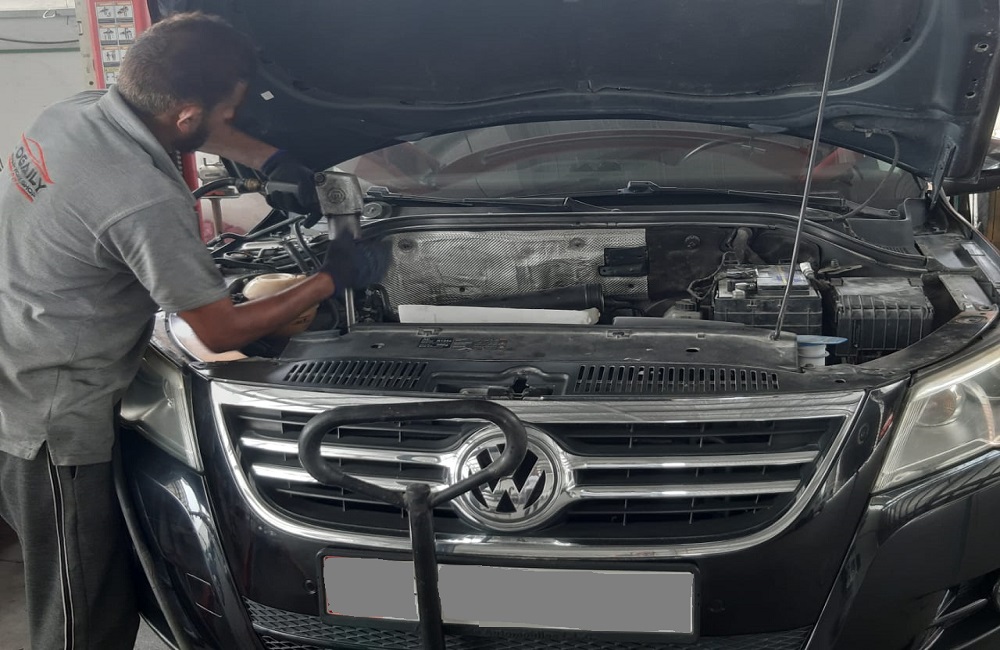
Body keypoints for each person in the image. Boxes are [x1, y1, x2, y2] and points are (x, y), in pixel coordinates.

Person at [0, 12, 381, 649]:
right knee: (80, 612)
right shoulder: (144, 199)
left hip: (14, 361)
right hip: (52, 420)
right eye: (229, 112)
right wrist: (328, 279)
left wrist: (270, 160)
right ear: (186, 116)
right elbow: (216, 330)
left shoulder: (76, 112)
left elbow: (193, 123)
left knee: (91, 585)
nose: (233, 122)